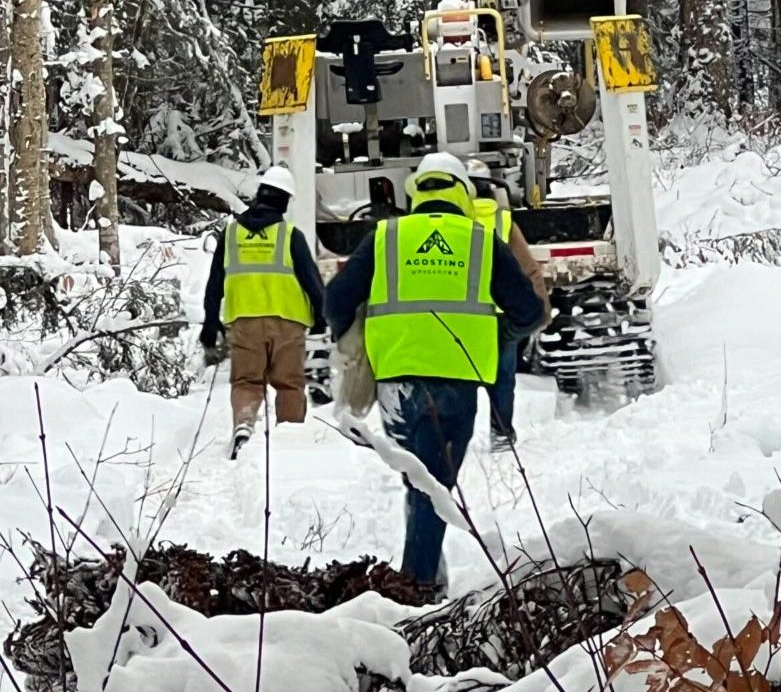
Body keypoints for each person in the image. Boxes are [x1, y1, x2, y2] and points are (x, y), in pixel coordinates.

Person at [324, 152, 543, 591]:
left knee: (420, 480)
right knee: (432, 487)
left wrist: (358, 334)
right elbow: (530, 312)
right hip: (453, 386)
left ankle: (428, 579)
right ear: (463, 193)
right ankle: (415, 588)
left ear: (416, 193)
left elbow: (335, 301)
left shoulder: (386, 236)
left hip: (394, 385)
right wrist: (497, 334)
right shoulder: (480, 241)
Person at [201, 165, 325, 459]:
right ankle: (290, 438)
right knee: (289, 384)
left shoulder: (231, 234)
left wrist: (210, 320)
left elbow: (215, 282)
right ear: (285, 201)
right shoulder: (290, 235)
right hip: (288, 323)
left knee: (246, 381)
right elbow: (312, 282)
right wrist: (322, 318)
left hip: (244, 322)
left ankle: (244, 426)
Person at [467, 159, 552, 450]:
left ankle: (453, 434)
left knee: (456, 378)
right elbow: (529, 270)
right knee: (503, 380)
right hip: (500, 318)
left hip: (461, 315)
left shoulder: (452, 221)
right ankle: (502, 433)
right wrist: (540, 312)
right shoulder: (503, 221)